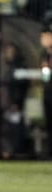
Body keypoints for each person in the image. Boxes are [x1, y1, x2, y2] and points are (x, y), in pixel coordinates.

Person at [40, 22, 52, 158]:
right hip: (48, 93)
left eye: (46, 37)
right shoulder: (45, 54)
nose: (43, 40)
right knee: (48, 124)